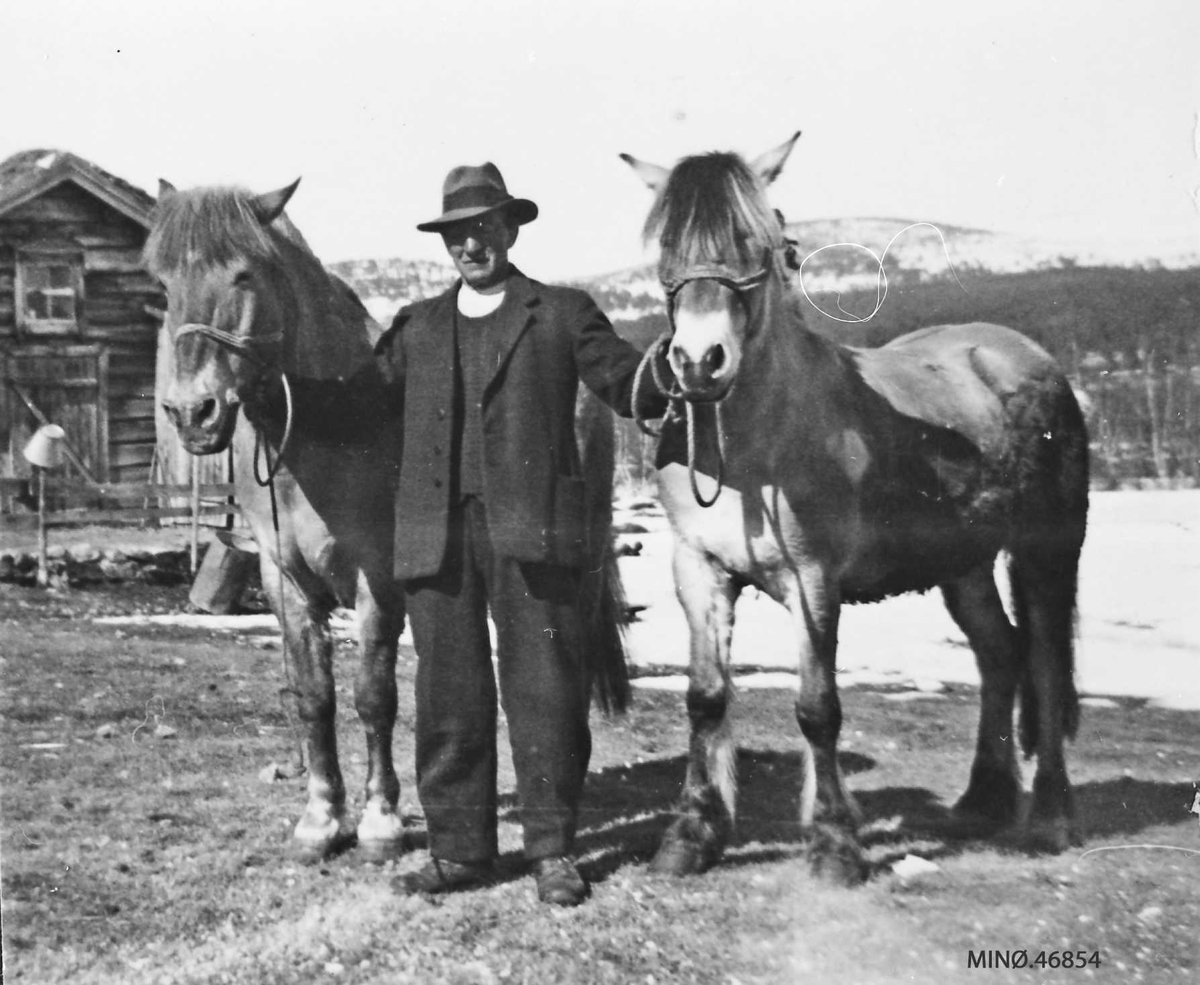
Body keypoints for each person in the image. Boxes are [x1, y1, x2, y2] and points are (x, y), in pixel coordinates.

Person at [260, 162, 666, 906]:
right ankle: (460, 850)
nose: (470, 245)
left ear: (510, 230)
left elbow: (625, 381)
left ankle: (551, 851)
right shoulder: (417, 326)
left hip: (533, 530)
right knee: (450, 697)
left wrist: (676, 373)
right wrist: (272, 389)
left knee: (544, 693)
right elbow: (357, 408)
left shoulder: (564, 313)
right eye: (457, 234)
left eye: (483, 229)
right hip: (435, 537)